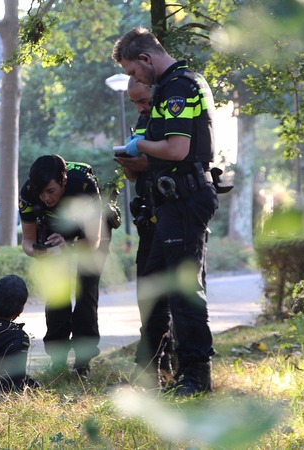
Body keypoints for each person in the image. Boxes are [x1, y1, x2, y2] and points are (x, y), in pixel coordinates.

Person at [112, 27, 219, 395]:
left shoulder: (177, 87)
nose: (134, 79)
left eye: (131, 72)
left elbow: (176, 151)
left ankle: (196, 377)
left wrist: (138, 142)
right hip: (171, 203)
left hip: (185, 199)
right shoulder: (175, 85)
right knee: (157, 285)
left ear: (145, 59)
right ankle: (160, 370)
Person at [19, 154, 106, 376]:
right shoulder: (28, 192)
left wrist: (69, 248)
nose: (45, 198)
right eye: (41, 193)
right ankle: (57, 359)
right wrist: (42, 252)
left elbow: (93, 241)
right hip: (53, 231)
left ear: (64, 181)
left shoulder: (84, 186)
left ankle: (83, 361)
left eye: (51, 191)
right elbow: (27, 243)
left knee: (85, 291)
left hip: (88, 235)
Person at [114, 77, 175, 387]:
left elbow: (172, 159)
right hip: (147, 217)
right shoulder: (142, 120)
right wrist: (128, 162)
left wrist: (145, 160)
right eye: (135, 103)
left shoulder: (170, 117)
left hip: (173, 214)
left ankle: (160, 363)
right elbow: (134, 172)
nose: (140, 108)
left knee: (167, 294)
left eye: (143, 101)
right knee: (147, 292)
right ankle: (155, 363)